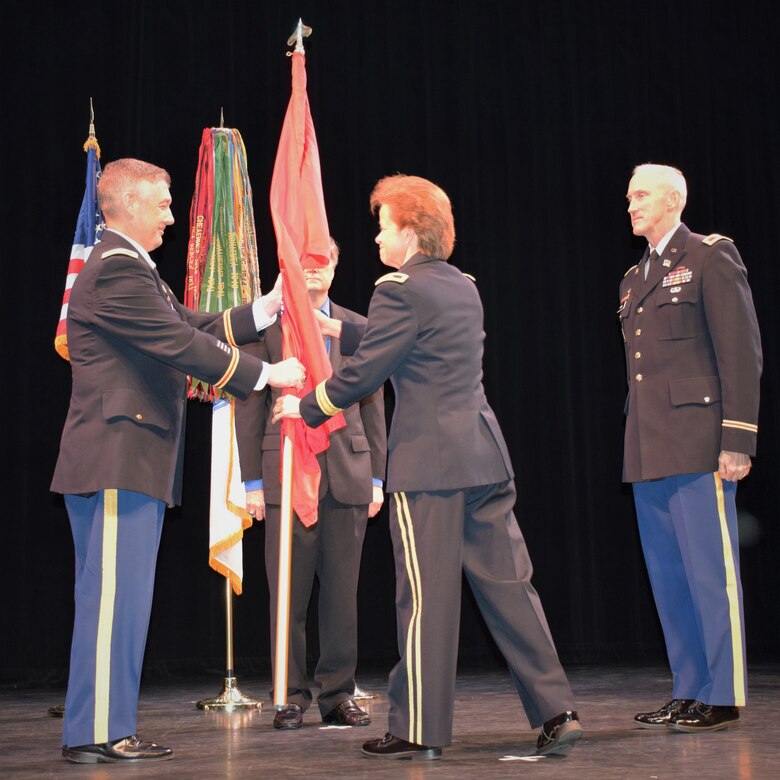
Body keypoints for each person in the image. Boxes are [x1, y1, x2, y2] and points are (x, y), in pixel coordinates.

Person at [273, 174, 582, 760]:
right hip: (483, 457)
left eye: (383, 226)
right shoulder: (463, 285)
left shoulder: (396, 289)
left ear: (410, 233)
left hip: (430, 469)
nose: (376, 239)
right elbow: (423, 340)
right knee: (513, 590)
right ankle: (557, 710)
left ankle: (418, 725)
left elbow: (366, 373)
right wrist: (346, 327)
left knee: (424, 598)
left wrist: (307, 405)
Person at [51, 158, 305, 764]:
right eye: (165, 203)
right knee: (114, 601)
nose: (172, 214)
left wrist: (265, 309)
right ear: (130, 205)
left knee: (124, 600)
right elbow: (180, 343)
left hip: (130, 458)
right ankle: (95, 733)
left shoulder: (133, 270)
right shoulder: (115, 270)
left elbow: (194, 323)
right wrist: (267, 373)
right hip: (117, 458)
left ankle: (106, 727)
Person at [620, 163, 762, 732]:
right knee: (669, 574)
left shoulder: (710, 256)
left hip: (701, 442)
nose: (629, 203)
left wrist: (738, 439)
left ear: (674, 200)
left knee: (710, 571)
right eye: (629, 196)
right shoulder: (633, 277)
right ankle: (688, 688)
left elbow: (739, 353)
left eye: (641, 194)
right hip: (649, 445)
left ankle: (722, 693)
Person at [234, 239, 387, 730]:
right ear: (291, 270)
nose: (315, 272)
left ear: (337, 268)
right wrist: (253, 481)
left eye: (324, 264)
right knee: (288, 594)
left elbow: (374, 403)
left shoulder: (356, 327)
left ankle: (338, 693)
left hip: (347, 473)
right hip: (285, 474)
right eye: (306, 264)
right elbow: (250, 404)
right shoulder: (269, 326)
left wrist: (378, 477)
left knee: (343, 595)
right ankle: (290, 695)